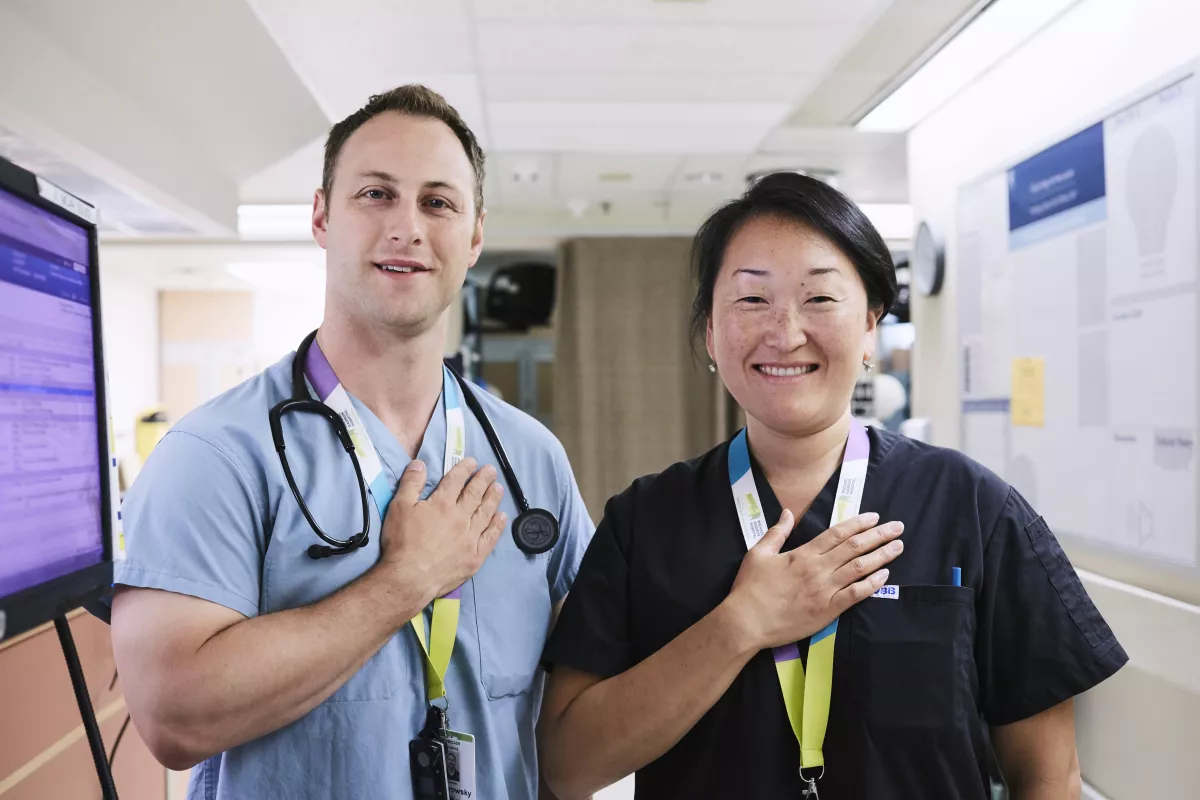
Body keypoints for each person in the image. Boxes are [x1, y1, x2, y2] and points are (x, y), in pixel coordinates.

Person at [538, 172, 1128, 799]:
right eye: (751, 300)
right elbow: (569, 767)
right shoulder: (646, 521)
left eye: (819, 299)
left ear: (871, 326)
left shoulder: (971, 507)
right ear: (710, 333)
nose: (785, 332)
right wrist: (740, 625)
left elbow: (1049, 776)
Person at [110, 85, 593, 799]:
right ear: (320, 216)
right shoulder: (215, 455)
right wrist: (404, 583)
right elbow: (173, 718)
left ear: (475, 235)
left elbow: (589, 694)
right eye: (375, 194)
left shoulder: (530, 458)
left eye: (438, 202)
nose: (408, 226)